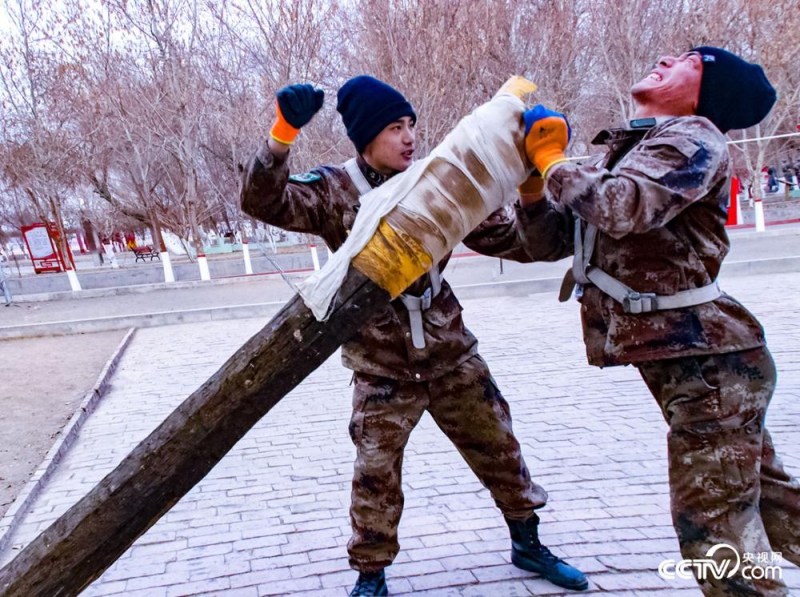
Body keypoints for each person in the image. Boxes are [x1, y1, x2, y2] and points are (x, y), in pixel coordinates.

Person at [240, 76, 588, 596]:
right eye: (393, 128)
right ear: (365, 138)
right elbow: (263, 203)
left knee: (501, 451)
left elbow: (521, 242)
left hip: (451, 355)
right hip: (381, 365)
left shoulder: (437, 183)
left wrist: (533, 186)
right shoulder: (335, 190)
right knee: (375, 477)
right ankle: (371, 575)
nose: (408, 138)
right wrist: (281, 134)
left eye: (410, 127)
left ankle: (527, 542)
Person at [518, 47, 799, 596]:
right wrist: (533, 185)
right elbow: (552, 240)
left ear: (706, 92)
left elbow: (620, 208)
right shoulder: (640, 147)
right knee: (767, 499)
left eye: (690, 60)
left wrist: (553, 161)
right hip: (699, 366)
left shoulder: (693, 137)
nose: (667, 57)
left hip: (711, 370)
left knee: (716, 532)